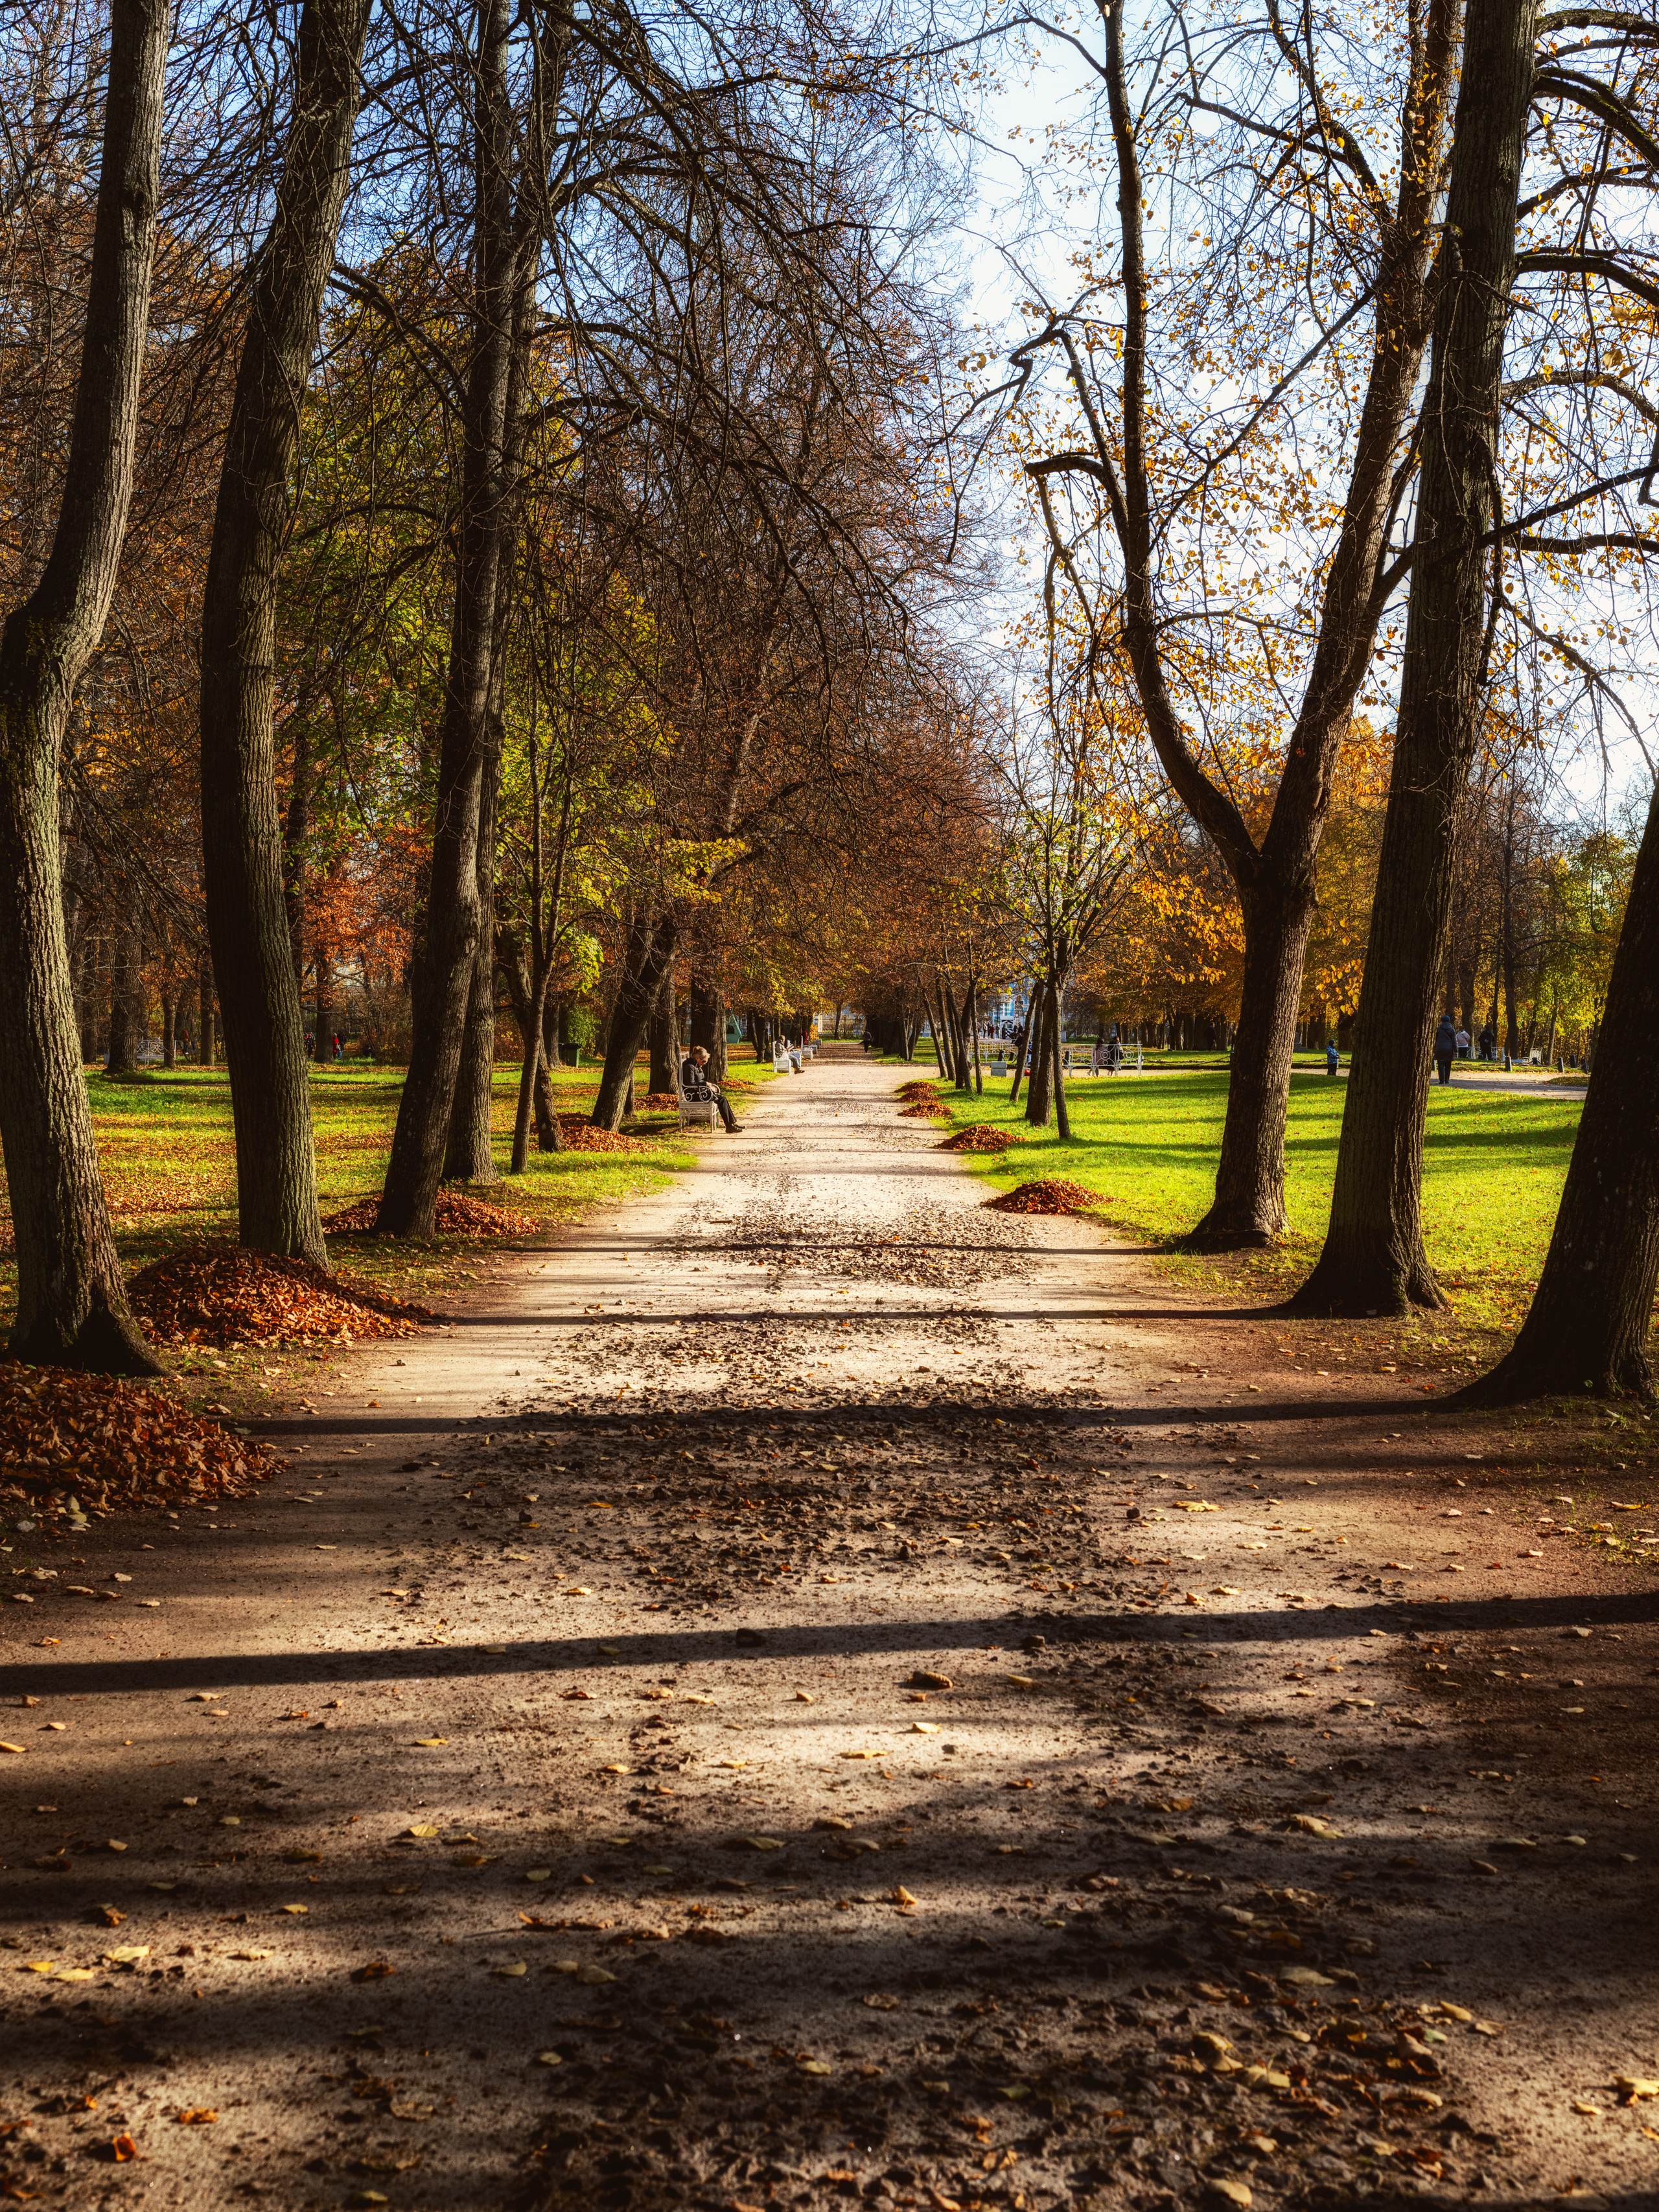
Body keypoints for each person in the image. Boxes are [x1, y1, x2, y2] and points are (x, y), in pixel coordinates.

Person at [680, 1044, 742, 1132]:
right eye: (704, 1061)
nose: (704, 1063)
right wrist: (706, 1084)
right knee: (721, 1100)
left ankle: (732, 1124)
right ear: (697, 1058)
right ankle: (729, 1126)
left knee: (722, 1098)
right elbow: (691, 1084)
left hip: (700, 1093)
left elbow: (698, 1082)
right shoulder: (689, 1067)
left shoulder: (695, 1066)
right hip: (693, 1095)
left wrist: (709, 1086)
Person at [1434, 1013, 1456, 1086]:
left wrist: (1434, 1048)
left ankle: (1441, 1080)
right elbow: (1454, 1041)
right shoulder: (1452, 1030)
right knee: (1448, 1065)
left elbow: (1435, 1040)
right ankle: (1447, 1080)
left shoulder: (1438, 1029)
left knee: (1440, 1065)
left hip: (1439, 1048)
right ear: (1449, 1021)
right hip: (1449, 1049)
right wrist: (1456, 1050)